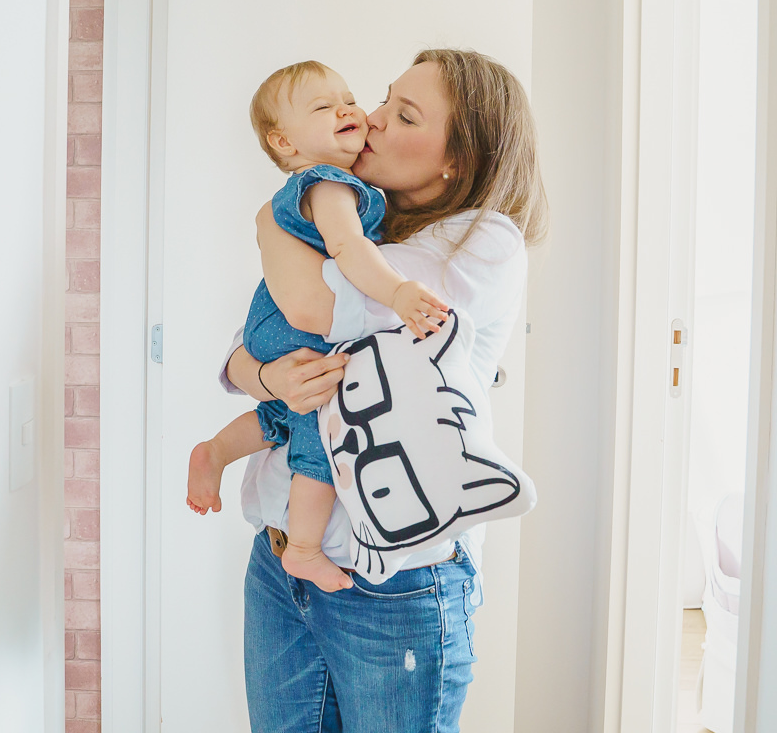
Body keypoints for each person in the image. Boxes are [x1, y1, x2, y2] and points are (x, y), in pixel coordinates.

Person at [221, 48, 548, 733]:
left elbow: (315, 310)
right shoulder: (357, 227)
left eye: (403, 115)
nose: (368, 120)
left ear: (458, 158)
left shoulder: (481, 242)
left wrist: (269, 221)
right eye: (384, 99)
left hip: (394, 583)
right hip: (281, 558)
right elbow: (243, 352)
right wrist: (266, 376)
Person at [187, 61, 450, 594]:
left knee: (282, 412)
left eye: (349, 97)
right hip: (286, 327)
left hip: (269, 323)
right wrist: (397, 292)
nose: (349, 110)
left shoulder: (317, 187)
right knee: (319, 432)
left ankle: (215, 451)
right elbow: (348, 249)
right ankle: (304, 549)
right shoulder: (330, 186)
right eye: (324, 107)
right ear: (283, 141)